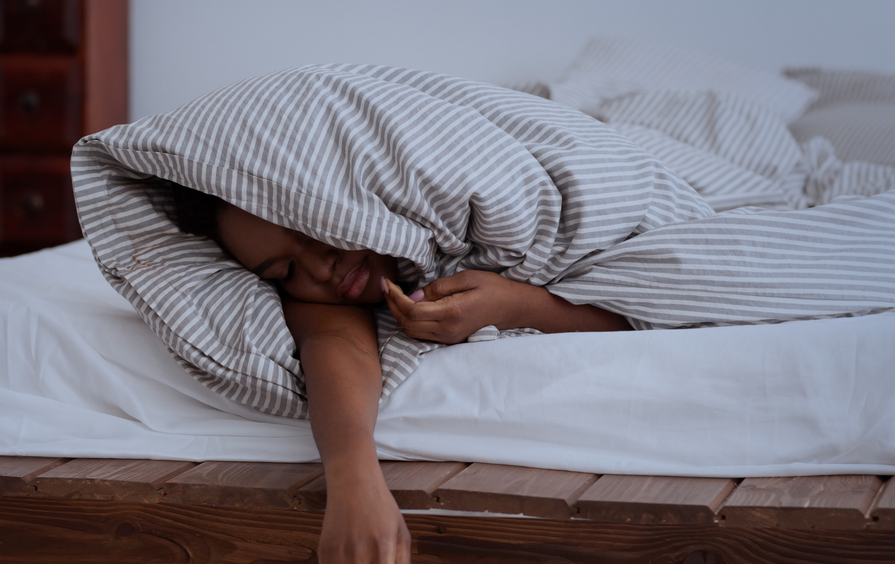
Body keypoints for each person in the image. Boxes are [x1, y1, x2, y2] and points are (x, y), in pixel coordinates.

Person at [171, 182, 630, 563]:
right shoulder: (317, 294)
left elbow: (668, 309)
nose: (317, 266)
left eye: (310, 228)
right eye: (286, 270)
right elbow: (336, 343)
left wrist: (513, 303)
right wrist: (354, 483)